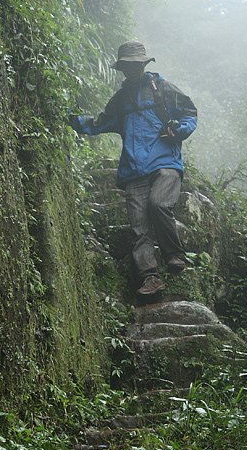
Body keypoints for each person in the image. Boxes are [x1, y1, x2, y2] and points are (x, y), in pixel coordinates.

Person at [68, 40, 197, 296]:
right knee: (139, 228)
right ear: (123, 68)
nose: (133, 69)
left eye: (137, 64)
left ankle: (174, 255)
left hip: (165, 162)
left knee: (159, 204)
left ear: (144, 64)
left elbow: (190, 113)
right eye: (128, 65)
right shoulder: (120, 100)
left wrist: (179, 130)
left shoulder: (162, 88)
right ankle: (150, 277)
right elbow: (100, 123)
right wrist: (74, 121)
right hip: (134, 168)